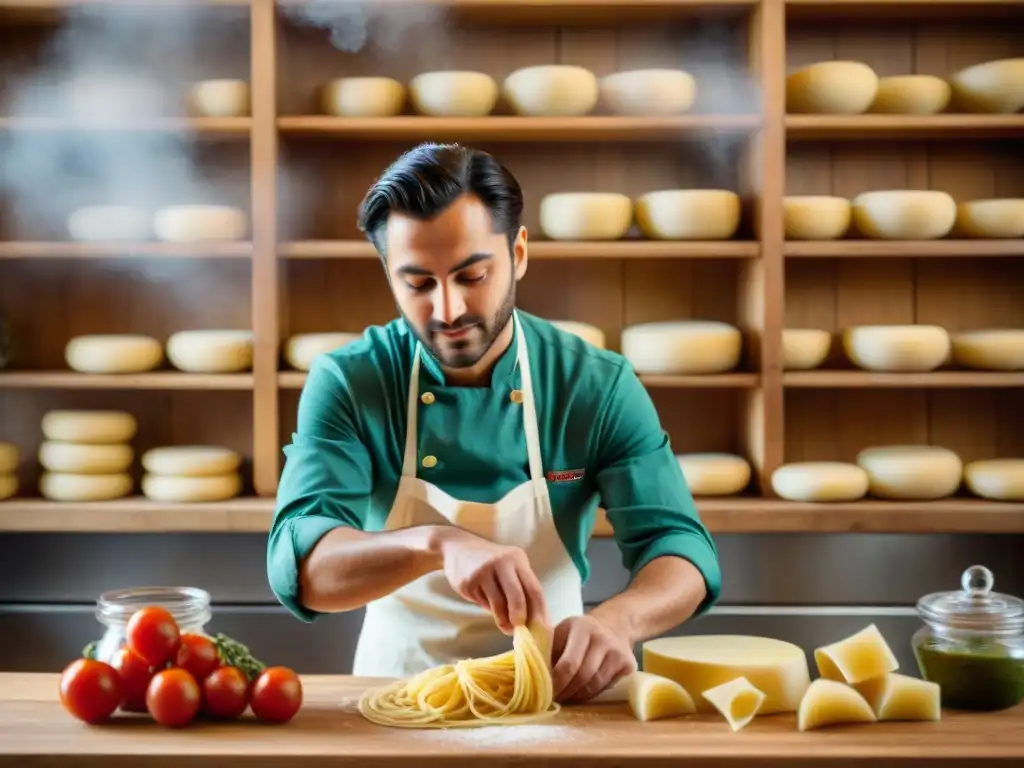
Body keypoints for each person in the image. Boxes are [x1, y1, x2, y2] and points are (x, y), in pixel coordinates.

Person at [267, 142, 721, 703]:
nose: (448, 309)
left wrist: (619, 622)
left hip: (556, 694)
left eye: (473, 275)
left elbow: (679, 547)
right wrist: (437, 544)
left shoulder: (593, 385)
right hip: (397, 692)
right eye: (418, 283)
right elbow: (304, 564)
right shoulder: (350, 380)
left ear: (519, 253)